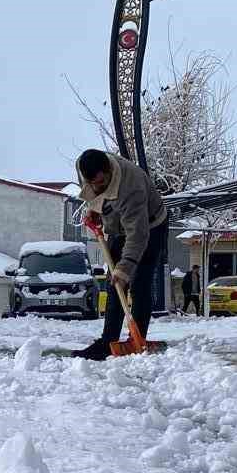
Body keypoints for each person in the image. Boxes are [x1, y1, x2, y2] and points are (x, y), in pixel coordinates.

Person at [72, 149, 168, 361]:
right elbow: (96, 196)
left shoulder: (130, 187)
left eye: (101, 182)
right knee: (114, 283)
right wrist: (94, 210)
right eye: (92, 184)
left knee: (138, 282)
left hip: (149, 227)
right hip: (119, 228)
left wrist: (126, 267)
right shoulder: (83, 167)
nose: (97, 186)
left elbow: (138, 235)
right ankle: (108, 341)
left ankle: (137, 340)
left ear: (109, 172)